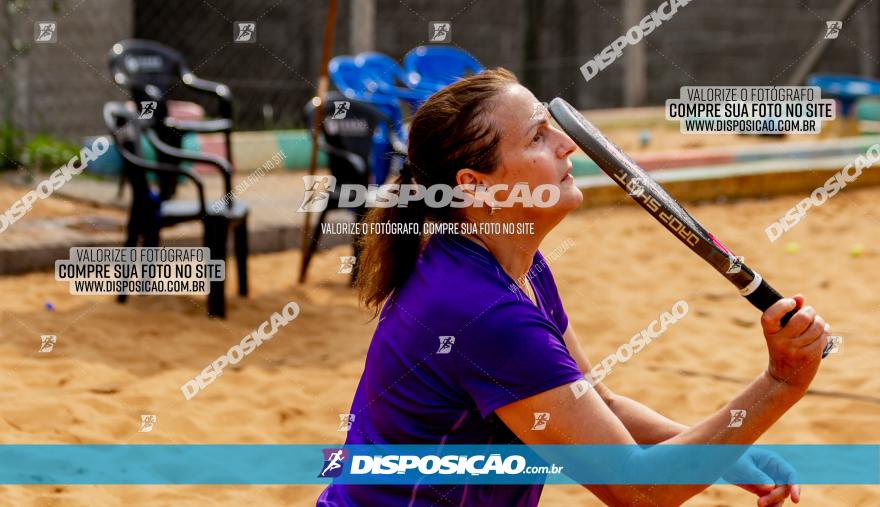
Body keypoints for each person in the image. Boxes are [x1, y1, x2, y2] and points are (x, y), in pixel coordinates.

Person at [316, 68, 831, 506]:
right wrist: (781, 382)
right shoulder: (484, 313)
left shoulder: (514, 262)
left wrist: (725, 453)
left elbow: (598, 401)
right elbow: (638, 490)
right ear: (475, 185)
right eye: (537, 137)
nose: (567, 142)